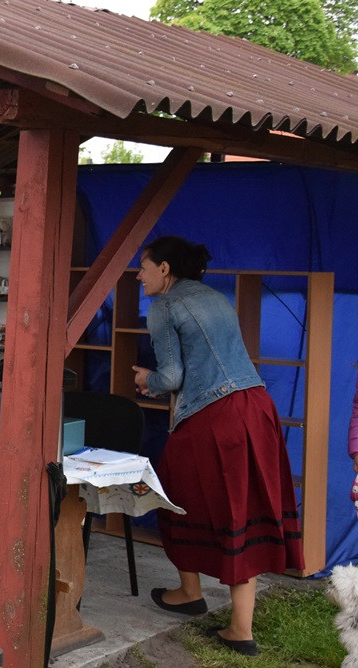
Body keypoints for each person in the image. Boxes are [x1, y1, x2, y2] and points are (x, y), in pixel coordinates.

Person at [132, 235, 303, 657]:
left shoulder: (164, 307)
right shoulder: (215, 297)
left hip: (214, 416)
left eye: (144, 267)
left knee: (170, 496)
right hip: (256, 408)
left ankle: (192, 592)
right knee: (243, 509)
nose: (139, 275)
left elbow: (171, 377)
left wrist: (145, 380)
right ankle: (236, 626)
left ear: (165, 270)